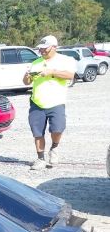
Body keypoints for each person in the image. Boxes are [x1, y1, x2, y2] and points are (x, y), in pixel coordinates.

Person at [22, 35, 76, 171]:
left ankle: (54, 148)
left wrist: (52, 72)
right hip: (37, 103)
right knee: (37, 133)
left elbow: (70, 75)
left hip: (56, 103)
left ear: (54, 47)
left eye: (45, 49)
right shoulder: (36, 63)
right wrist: (27, 77)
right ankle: (40, 158)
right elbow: (26, 82)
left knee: (57, 129)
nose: (42, 51)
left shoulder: (65, 60)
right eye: (41, 49)